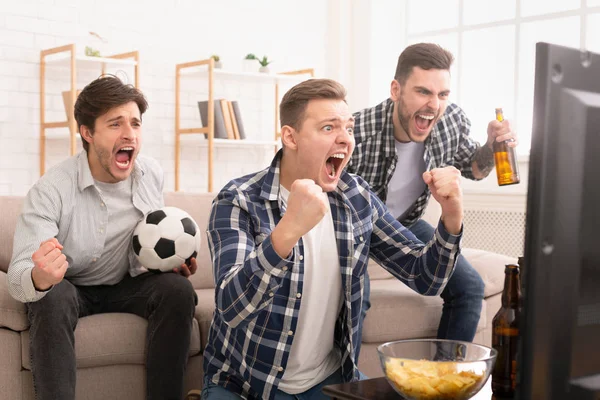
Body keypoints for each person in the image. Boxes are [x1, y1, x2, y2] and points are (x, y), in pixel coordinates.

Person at [199, 78, 464, 400]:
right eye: (328, 128)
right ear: (290, 137)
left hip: (330, 381)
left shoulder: (355, 196)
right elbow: (232, 308)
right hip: (245, 385)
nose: (345, 139)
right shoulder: (238, 200)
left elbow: (426, 278)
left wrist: (451, 216)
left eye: (348, 128)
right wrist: (287, 230)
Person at [6, 75, 198, 400]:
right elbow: (17, 279)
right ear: (87, 133)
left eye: (135, 124)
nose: (129, 134)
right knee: (52, 296)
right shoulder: (52, 189)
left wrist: (166, 263)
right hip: (72, 289)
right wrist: (39, 277)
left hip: (125, 287)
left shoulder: (150, 173)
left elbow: (150, 237)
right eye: (115, 124)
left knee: (178, 290)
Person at [347, 42, 518, 348]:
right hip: (355, 230)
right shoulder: (357, 131)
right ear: (396, 90)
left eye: (442, 94)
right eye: (423, 92)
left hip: (407, 223)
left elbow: (474, 169)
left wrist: (492, 146)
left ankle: (443, 381)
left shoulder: (450, 121)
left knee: (469, 286)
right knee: (352, 298)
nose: (434, 105)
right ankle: (345, 388)